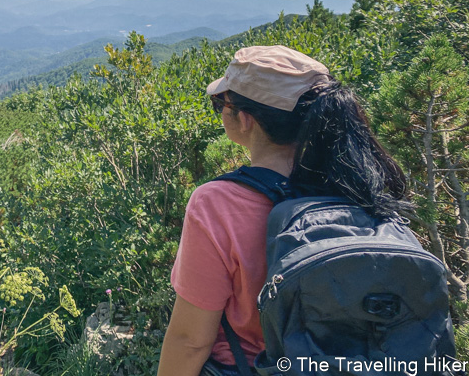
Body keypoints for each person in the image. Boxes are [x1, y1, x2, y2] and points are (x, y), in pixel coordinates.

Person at [156, 45, 409, 376]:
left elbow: (190, 340)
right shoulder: (365, 186)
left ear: (246, 119)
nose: (220, 110)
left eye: (222, 103)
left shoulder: (217, 204)